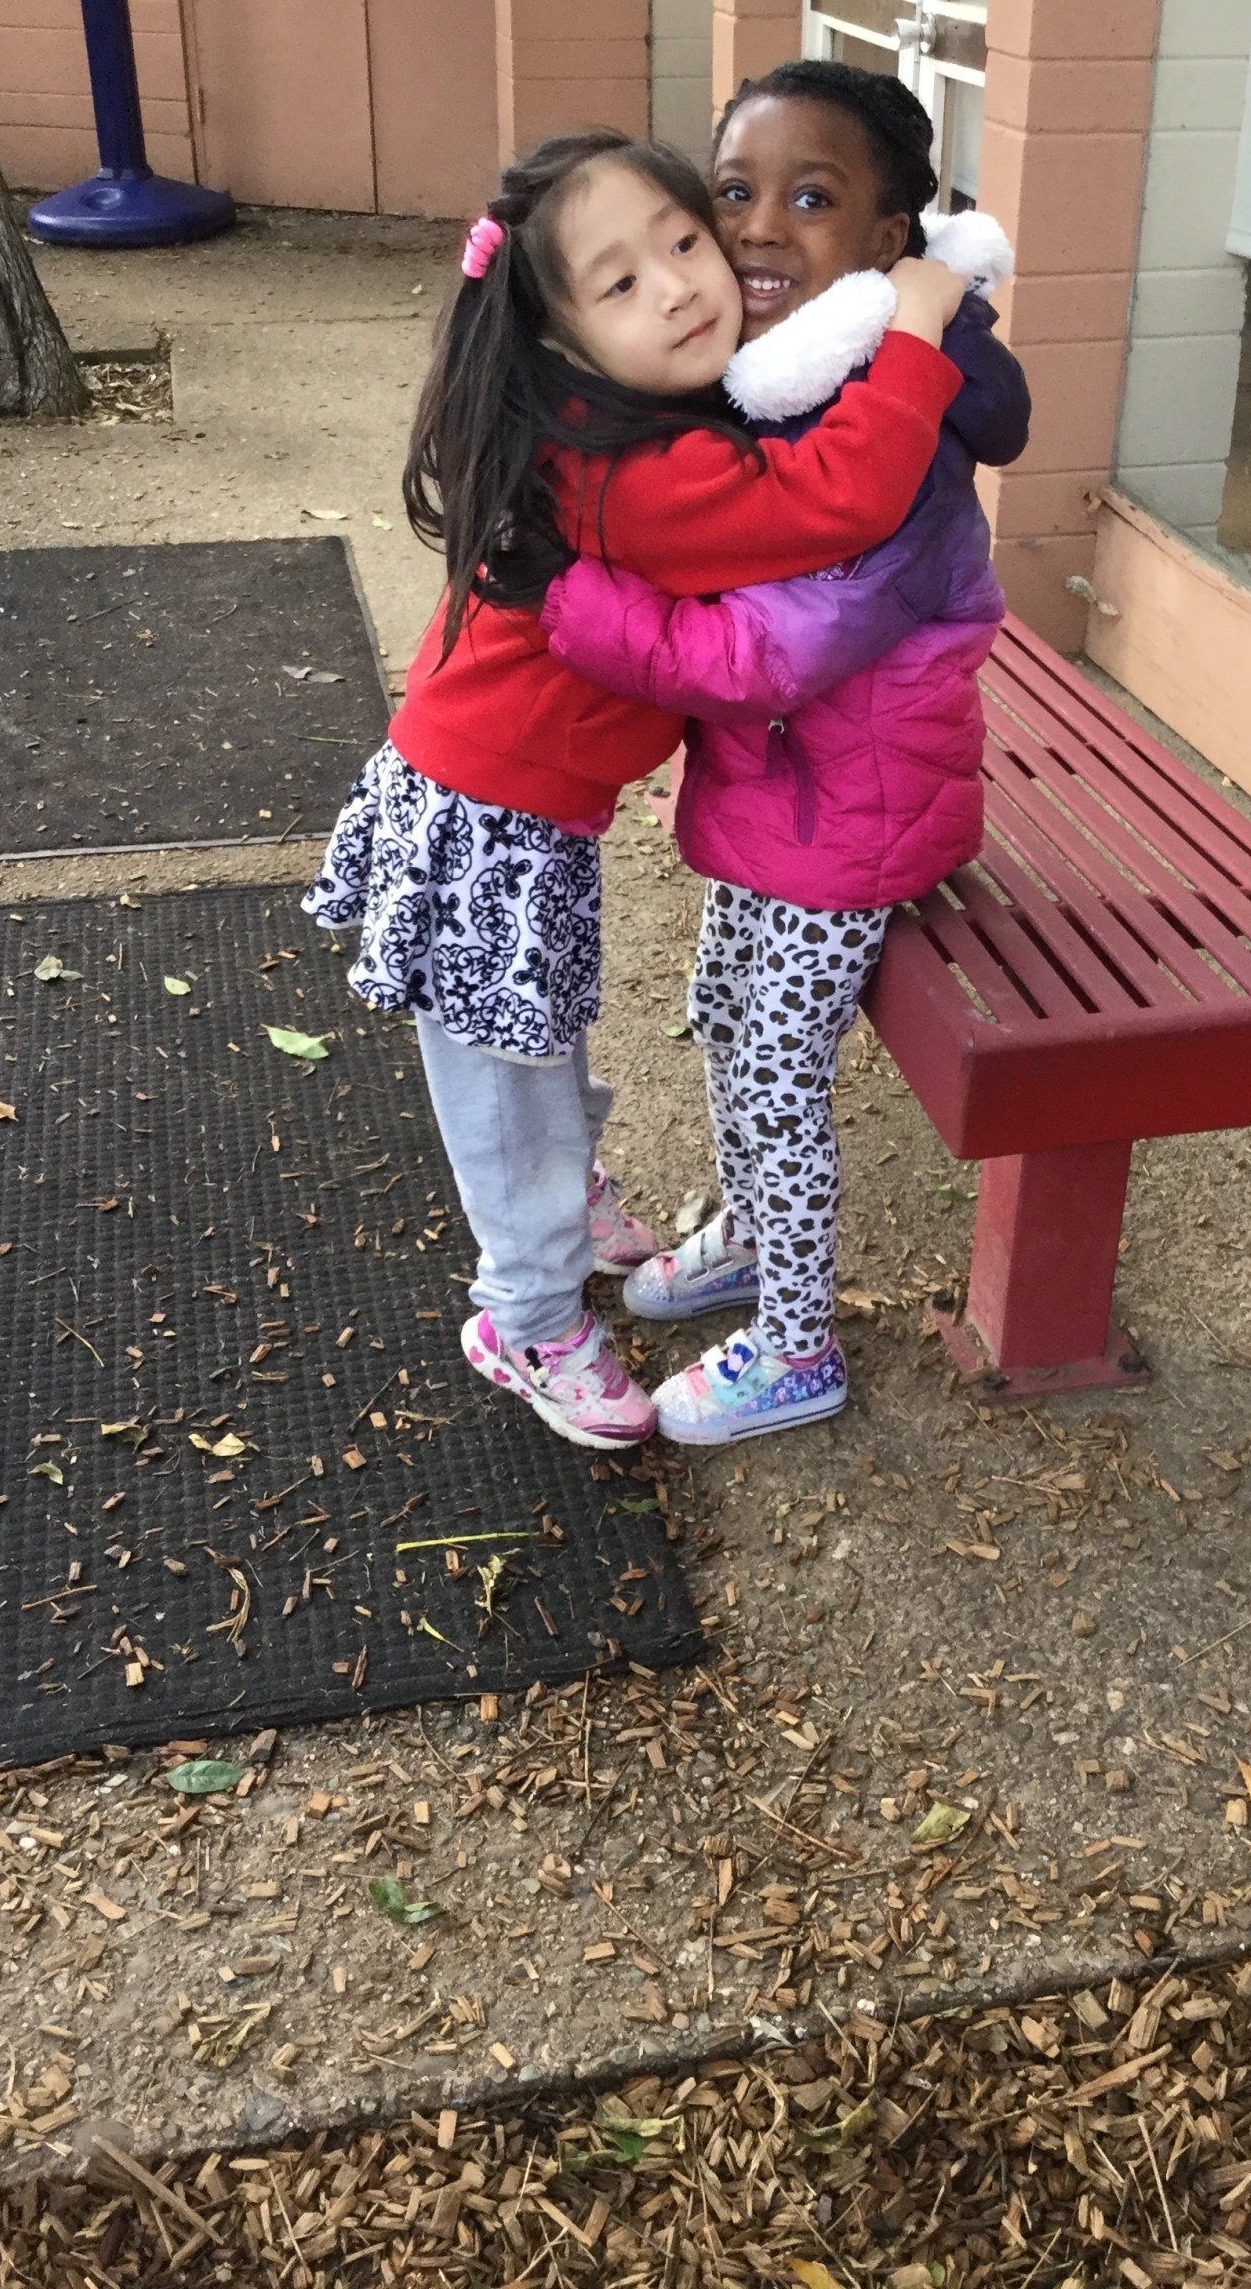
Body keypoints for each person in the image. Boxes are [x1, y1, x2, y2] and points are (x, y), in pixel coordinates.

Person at [304, 126, 969, 1451]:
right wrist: (915, 330)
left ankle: (568, 1201)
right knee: (508, 1079)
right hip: (488, 821)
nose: (677, 285)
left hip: (507, 805)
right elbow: (834, 501)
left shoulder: (621, 426)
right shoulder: (637, 476)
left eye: (681, 241)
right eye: (619, 283)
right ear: (558, 338)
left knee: (535, 1038)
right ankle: (530, 1315)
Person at [543, 63, 1030, 1446]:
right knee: (722, 1005)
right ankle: (758, 1233)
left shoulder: (893, 432)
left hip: (852, 820)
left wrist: (575, 603)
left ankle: (798, 1342)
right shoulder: (777, 394)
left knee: (773, 1067)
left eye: (811, 200)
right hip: (788, 804)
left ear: (891, 243)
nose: (759, 228)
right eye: (737, 191)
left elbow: (773, 657)